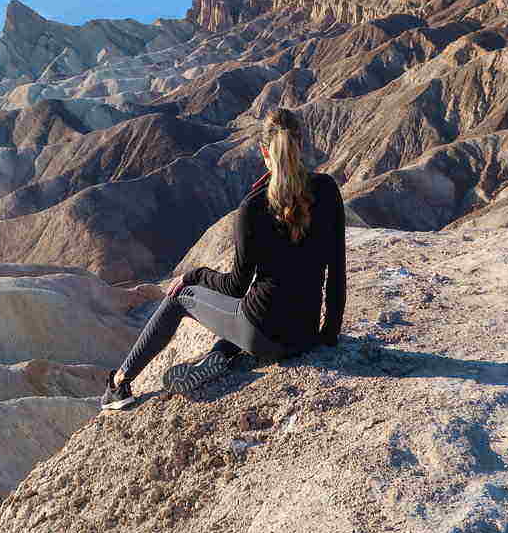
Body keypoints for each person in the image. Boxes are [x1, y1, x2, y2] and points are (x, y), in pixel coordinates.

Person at [100, 107, 347, 410]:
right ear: (302, 145)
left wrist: (195, 275)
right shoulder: (327, 190)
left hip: (262, 336)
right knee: (242, 314)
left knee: (180, 297)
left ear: (263, 152)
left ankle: (118, 385)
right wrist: (329, 335)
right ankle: (220, 354)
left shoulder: (253, 208)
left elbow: (236, 286)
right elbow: (336, 270)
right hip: (305, 333)